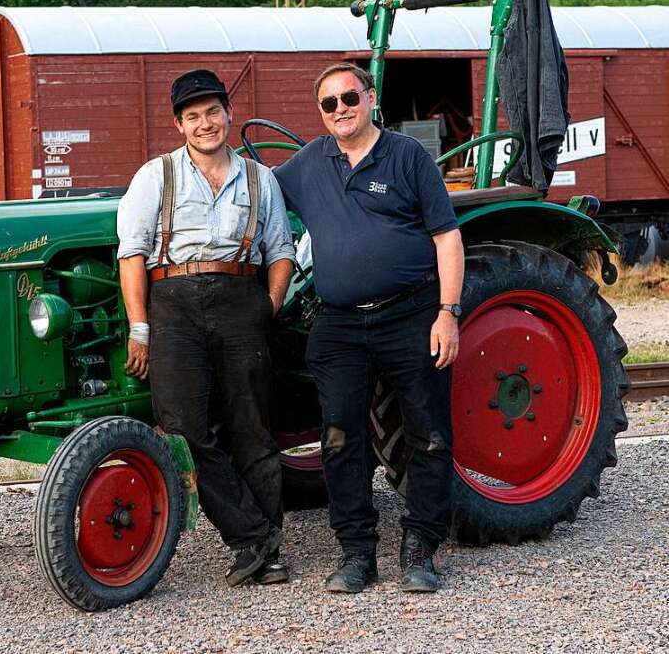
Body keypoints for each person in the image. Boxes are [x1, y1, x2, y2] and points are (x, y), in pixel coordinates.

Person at [273, 62, 464, 594]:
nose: (340, 110)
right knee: (338, 438)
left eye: (349, 98)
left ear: (371, 97)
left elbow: (447, 237)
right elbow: (256, 195)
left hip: (412, 313)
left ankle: (420, 547)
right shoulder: (310, 163)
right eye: (329, 104)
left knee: (427, 434)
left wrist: (448, 312)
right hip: (339, 323)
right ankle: (357, 552)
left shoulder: (407, 157)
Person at [116, 69, 297, 587]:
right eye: (192, 116)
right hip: (173, 301)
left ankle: (264, 549)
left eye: (212, 112)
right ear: (179, 125)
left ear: (228, 114)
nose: (205, 124)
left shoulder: (261, 179)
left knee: (253, 426)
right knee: (182, 429)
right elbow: (132, 254)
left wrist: (269, 303)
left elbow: (280, 252)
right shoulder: (156, 176)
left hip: (243, 297)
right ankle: (253, 534)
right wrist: (140, 328)